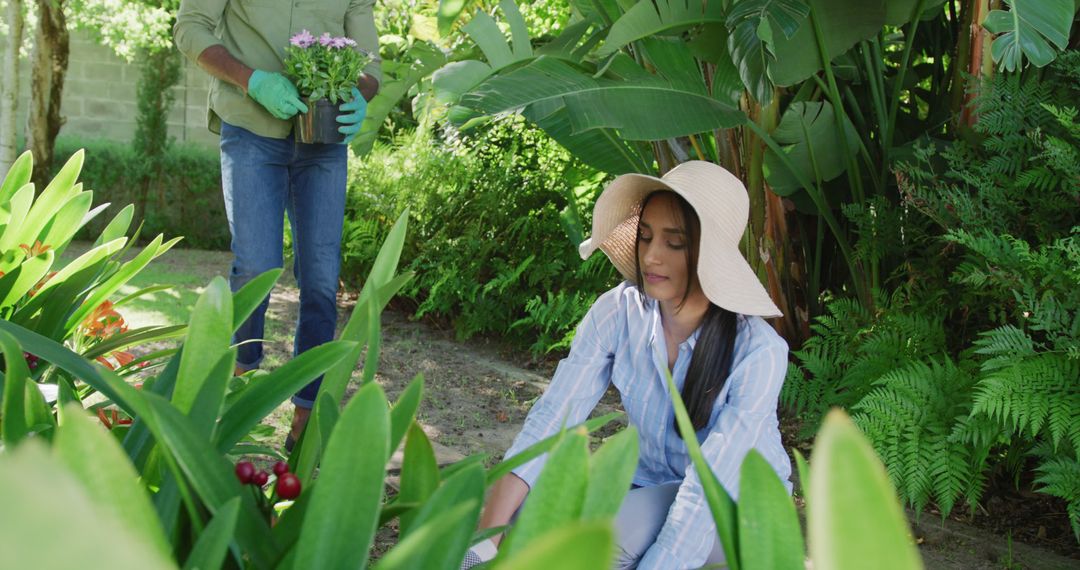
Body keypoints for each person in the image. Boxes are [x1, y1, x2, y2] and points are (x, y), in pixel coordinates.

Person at [469, 161, 792, 569]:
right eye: (645, 237)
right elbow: (554, 417)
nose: (651, 257)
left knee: (604, 545)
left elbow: (704, 491)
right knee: (524, 508)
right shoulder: (619, 312)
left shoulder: (757, 351)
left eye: (674, 243)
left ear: (709, 256)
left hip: (736, 507)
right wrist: (486, 536)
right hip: (648, 484)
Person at [173, 0, 380, 449]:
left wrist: (358, 95)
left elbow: (370, 63)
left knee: (323, 281)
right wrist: (252, 80)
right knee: (255, 269)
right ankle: (235, 392)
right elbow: (190, 28)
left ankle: (307, 418)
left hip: (323, 139)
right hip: (250, 126)